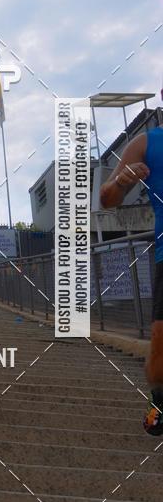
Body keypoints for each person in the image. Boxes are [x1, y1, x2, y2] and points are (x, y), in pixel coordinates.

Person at [100, 130, 160, 433]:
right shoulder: (147, 142)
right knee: (159, 359)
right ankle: (159, 399)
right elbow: (106, 199)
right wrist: (122, 181)